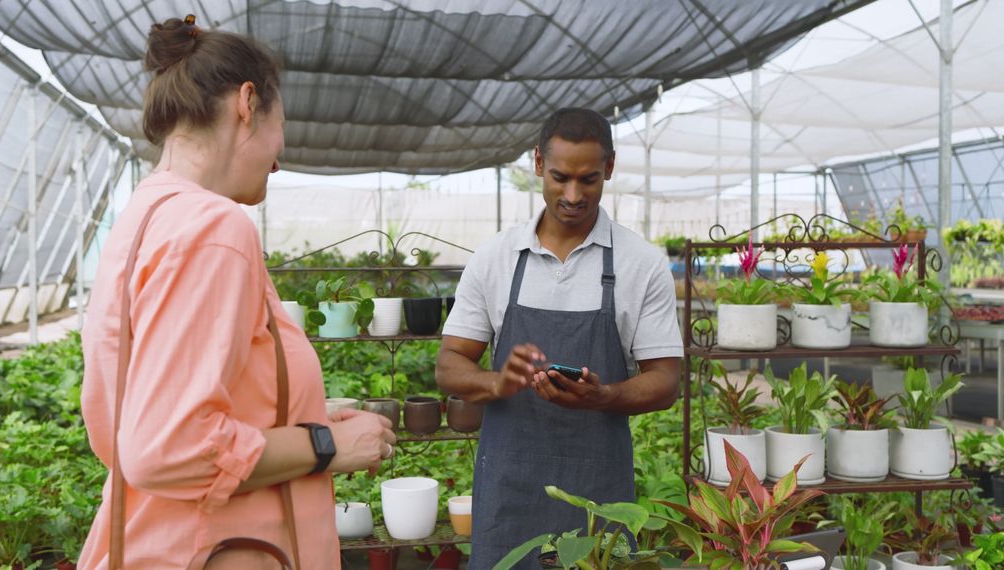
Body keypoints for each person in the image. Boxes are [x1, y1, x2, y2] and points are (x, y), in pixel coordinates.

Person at [78, 16, 395, 569]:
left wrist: (306, 416)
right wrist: (328, 447)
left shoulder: (146, 214)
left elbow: (156, 401)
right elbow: (167, 447)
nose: (279, 156)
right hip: (216, 549)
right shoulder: (214, 228)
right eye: (280, 126)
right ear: (247, 103)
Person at [436, 107, 683, 567]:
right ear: (536, 164)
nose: (572, 195)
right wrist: (496, 381)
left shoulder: (640, 263)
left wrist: (603, 395)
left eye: (588, 179)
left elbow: (666, 380)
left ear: (609, 168)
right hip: (509, 489)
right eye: (559, 177)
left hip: (599, 497)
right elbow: (449, 364)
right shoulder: (496, 258)